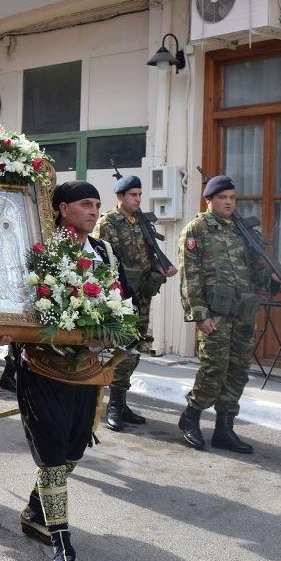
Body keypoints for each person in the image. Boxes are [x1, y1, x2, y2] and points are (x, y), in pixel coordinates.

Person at [0, 181, 132, 561]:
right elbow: (16, 298)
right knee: (53, 454)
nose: (93, 211)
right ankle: (62, 543)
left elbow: (121, 301)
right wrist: (5, 330)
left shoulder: (103, 251)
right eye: (86, 204)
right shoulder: (39, 248)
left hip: (88, 369)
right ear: (63, 208)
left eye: (97, 205)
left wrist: (111, 330)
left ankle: (37, 510)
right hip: (41, 368)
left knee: (73, 450)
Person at [177, 175, 281, 453]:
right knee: (214, 368)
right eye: (222, 198)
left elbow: (257, 270)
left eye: (232, 198)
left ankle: (224, 429)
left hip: (243, 312)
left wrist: (277, 279)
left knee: (238, 371)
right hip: (215, 314)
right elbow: (189, 277)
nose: (228, 202)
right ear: (209, 200)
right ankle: (191, 416)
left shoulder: (242, 230)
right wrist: (199, 314)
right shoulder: (197, 230)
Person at [92, 175, 177, 430]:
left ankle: (122, 400)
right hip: (121, 297)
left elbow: (150, 254)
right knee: (121, 347)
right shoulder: (108, 222)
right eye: (133, 195)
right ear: (120, 197)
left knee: (135, 347)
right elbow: (100, 258)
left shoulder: (142, 222)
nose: (138, 199)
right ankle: (113, 406)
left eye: (140, 194)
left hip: (143, 295)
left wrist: (162, 267)